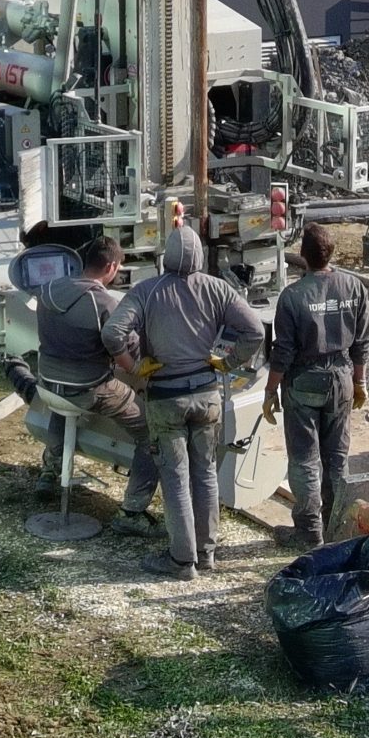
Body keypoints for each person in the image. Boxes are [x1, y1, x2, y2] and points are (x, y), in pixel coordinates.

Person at [101, 224, 263, 581]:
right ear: (200, 256)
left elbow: (112, 332)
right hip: (207, 396)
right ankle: (206, 554)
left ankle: (181, 560)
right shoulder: (218, 288)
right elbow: (256, 331)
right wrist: (228, 362)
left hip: (166, 397)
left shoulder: (147, 291)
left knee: (175, 478)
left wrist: (133, 367)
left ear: (166, 256)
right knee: (205, 474)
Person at [4, 237, 157, 531]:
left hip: (49, 383)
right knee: (151, 433)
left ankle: (50, 471)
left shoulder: (47, 290)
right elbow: (132, 349)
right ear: (111, 267)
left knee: (62, 408)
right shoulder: (105, 303)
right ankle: (132, 512)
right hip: (88, 389)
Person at [265, 222, 369, 548]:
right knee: (337, 459)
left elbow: (283, 352)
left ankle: (309, 533)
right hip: (341, 380)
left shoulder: (292, 297)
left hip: (304, 383)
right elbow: (362, 342)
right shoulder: (354, 287)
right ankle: (336, 530)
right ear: (331, 253)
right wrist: (360, 381)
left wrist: (270, 392)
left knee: (304, 460)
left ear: (303, 255)